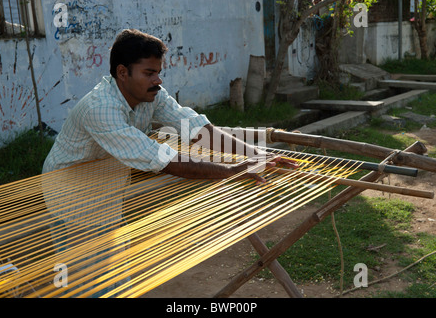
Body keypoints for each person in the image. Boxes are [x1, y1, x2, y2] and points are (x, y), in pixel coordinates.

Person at [41, 29, 296, 297]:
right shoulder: (100, 109)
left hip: (106, 192)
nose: (158, 80)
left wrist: (253, 155)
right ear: (122, 72)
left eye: (158, 72)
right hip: (71, 196)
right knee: (87, 281)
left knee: (116, 274)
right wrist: (231, 170)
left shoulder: (151, 96)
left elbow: (196, 128)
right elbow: (163, 160)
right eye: (149, 73)